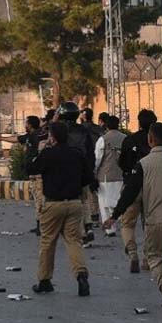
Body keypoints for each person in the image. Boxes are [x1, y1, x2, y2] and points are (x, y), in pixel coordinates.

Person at [105, 122, 162, 308]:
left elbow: (130, 192)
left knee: (154, 257)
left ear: (150, 139)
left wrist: (115, 215)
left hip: (157, 218)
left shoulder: (144, 164)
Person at [27, 122, 91, 297]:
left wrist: (39, 152)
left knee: (48, 241)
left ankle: (44, 280)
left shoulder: (48, 154)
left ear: (52, 137)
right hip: (74, 204)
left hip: (53, 205)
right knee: (74, 241)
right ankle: (81, 275)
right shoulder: (77, 154)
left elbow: (31, 169)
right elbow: (87, 178)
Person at [118, 109, 158, 273]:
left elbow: (122, 163)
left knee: (127, 223)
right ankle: (147, 258)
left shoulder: (129, 140)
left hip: (131, 186)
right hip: (151, 187)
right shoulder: (155, 143)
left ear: (139, 122)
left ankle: (132, 252)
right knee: (148, 224)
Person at [56, 102, 97, 246]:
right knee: (84, 199)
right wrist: (90, 171)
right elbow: (90, 152)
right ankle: (89, 225)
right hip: (82, 168)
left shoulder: (60, 130)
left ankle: (82, 233)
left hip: (66, 171)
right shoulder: (83, 130)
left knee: (73, 202)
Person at [0, 116, 44, 235]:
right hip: (32, 174)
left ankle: (41, 226)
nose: (24, 125)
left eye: (26, 123)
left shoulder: (38, 136)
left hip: (38, 174)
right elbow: (16, 138)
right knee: (37, 200)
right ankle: (39, 224)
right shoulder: (29, 136)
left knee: (40, 200)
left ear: (30, 125)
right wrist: (2, 138)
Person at [95, 115, 126, 237]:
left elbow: (97, 158)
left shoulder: (103, 139)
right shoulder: (125, 138)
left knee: (104, 203)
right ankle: (121, 221)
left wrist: (94, 172)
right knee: (119, 200)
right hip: (121, 174)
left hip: (105, 175)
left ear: (106, 125)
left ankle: (110, 229)